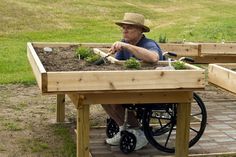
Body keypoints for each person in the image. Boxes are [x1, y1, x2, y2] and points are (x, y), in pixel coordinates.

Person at [102, 12, 163, 150]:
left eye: (129, 27)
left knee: (115, 101)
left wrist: (128, 47)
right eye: (123, 27)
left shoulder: (148, 43)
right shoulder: (125, 43)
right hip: (133, 84)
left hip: (154, 87)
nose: (124, 30)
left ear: (140, 30)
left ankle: (138, 132)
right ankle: (123, 128)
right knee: (101, 97)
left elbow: (154, 58)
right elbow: (116, 64)